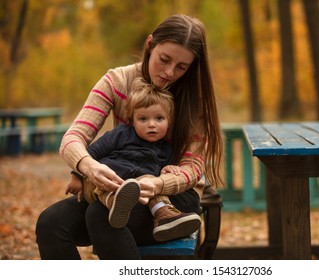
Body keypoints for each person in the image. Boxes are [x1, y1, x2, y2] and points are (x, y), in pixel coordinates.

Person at [36, 13, 223, 260]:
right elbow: (73, 137)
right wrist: (89, 167)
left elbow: (193, 166)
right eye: (164, 59)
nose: (169, 72)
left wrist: (158, 183)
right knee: (50, 223)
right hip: (122, 189)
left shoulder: (192, 100)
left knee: (101, 217)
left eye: (181, 67)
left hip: (173, 199)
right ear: (150, 45)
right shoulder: (116, 81)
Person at [81, 78, 201, 241]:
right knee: (102, 181)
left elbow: (162, 175)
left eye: (159, 118)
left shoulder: (166, 149)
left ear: (169, 121)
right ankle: (116, 204)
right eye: (143, 119)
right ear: (132, 120)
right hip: (104, 179)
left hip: (134, 187)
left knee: (150, 181)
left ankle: (164, 215)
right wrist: (76, 175)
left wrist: (168, 170)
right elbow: (91, 152)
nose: (151, 124)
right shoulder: (121, 134)